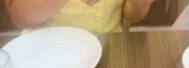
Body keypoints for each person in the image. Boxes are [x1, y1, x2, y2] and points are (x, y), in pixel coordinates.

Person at [4, 0, 155, 33]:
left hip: (111, 45)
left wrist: (139, 5)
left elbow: (131, 16)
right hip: (46, 49)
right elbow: (21, 18)